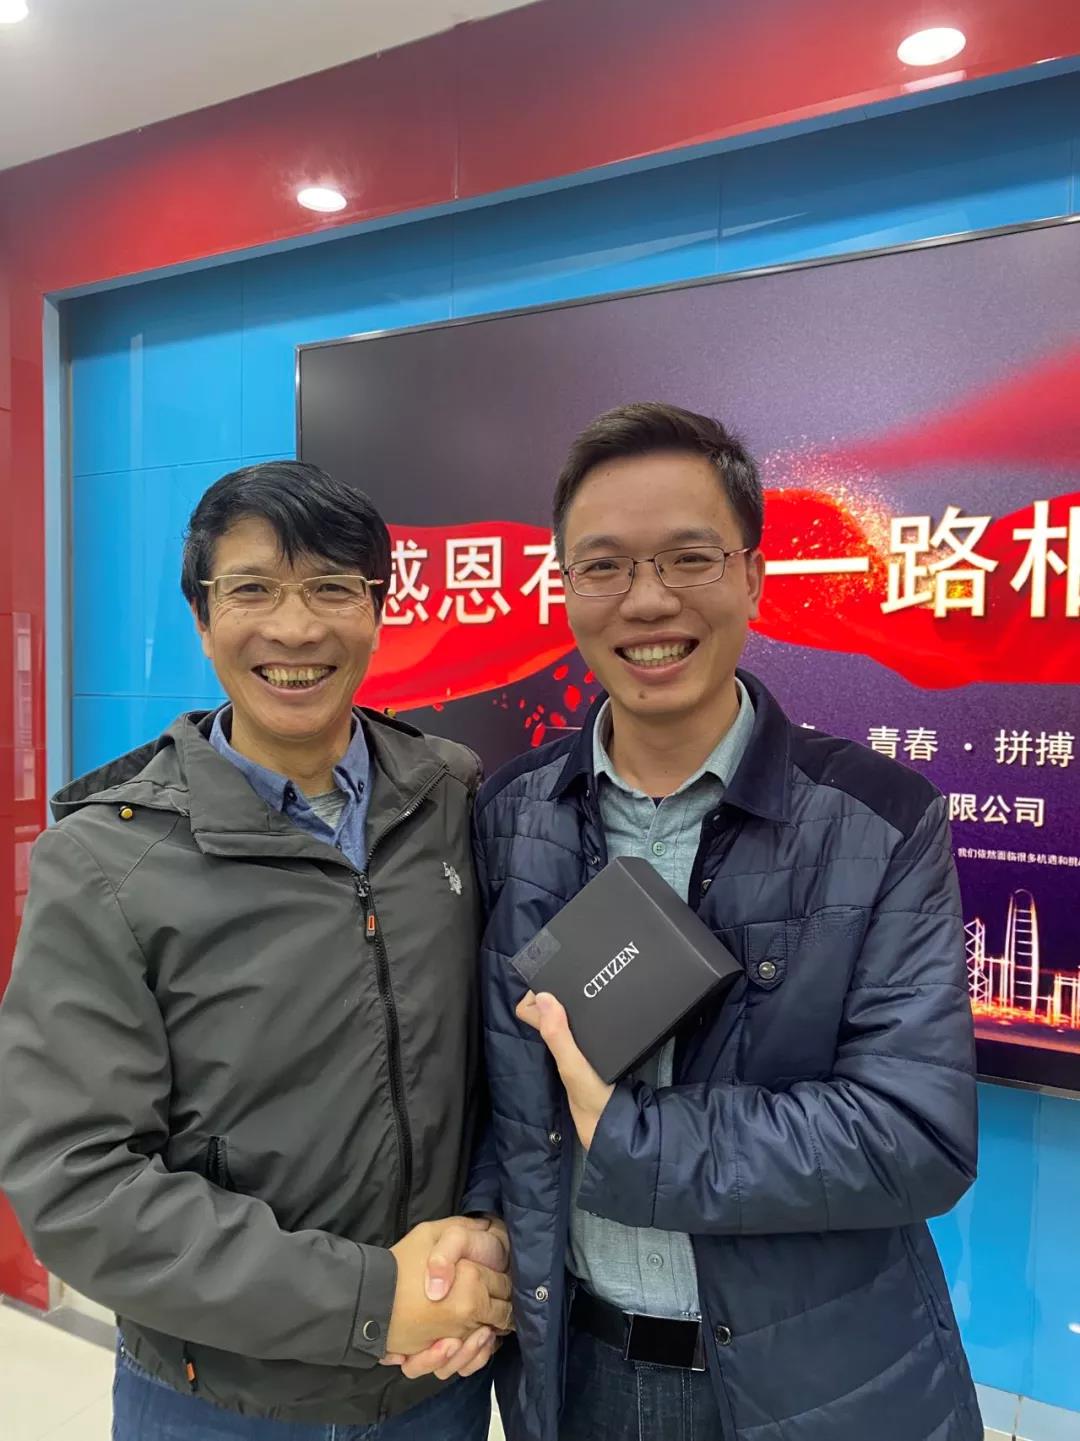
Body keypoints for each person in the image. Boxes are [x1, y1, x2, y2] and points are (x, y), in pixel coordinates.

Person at [455, 403, 982, 1440]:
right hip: (576, 1376)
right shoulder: (510, 814)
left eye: (690, 557)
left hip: (819, 1387)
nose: (648, 599)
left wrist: (638, 1140)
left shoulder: (879, 819)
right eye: (604, 565)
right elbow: (493, 1090)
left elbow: (918, 1134)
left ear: (753, 576)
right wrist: (481, 1220)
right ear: (565, 587)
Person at [0, 462, 511, 1440]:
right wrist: (370, 1297)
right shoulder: (106, 860)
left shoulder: (448, 796)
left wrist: (482, 1235)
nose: (296, 626)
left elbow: (495, 1064)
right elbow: (75, 1181)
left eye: (332, 587)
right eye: (252, 589)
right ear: (202, 617)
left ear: (377, 610)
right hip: (222, 1403)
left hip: (435, 1387)